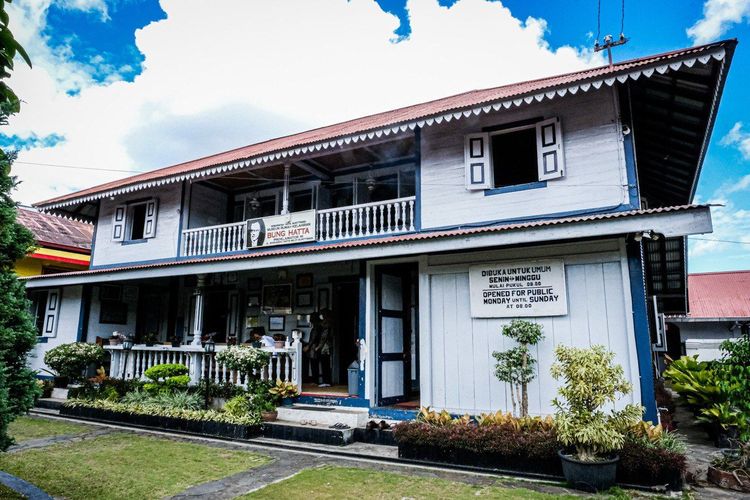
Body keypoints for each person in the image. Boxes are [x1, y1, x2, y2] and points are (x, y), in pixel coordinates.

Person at [308, 309, 333, 387]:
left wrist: (317, 347)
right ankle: (326, 381)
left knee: (324, 363)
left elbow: (323, 338)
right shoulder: (324, 324)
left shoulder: (325, 325)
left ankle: (326, 381)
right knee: (324, 363)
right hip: (324, 347)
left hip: (325, 347)